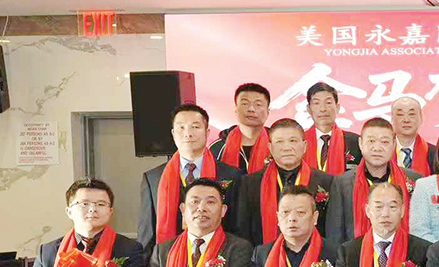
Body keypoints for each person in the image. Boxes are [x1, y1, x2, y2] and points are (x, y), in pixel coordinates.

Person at [140, 104, 242, 255]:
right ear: (173, 133)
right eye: (181, 128)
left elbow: (238, 226)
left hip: (218, 257)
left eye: (195, 127)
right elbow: (147, 232)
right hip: (168, 258)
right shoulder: (153, 178)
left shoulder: (231, 175)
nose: (188, 133)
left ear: (207, 132)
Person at [326, 118, 421, 249]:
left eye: (384, 142)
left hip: (405, 255)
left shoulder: (414, 180)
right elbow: (335, 234)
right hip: (356, 257)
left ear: (394, 144)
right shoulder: (342, 183)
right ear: (360, 143)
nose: (377, 148)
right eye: (371, 141)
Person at [238, 118, 335, 246]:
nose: (287, 148)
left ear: (305, 146)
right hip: (263, 255)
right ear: (270, 147)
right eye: (279, 142)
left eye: (293, 141)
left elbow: (332, 228)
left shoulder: (327, 181)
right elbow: (242, 231)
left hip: (314, 254)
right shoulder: (249, 184)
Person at [209, 83, 272, 174]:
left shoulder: (277, 145)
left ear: (267, 112)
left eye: (258, 104)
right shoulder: (217, 148)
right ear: (236, 109)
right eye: (245, 103)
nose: (251, 109)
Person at [302, 82, 362, 175]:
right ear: (309, 109)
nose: (323, 109)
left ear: (337, 108)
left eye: (328, 103)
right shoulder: (299, 141)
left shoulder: (356, 142)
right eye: (316, 103)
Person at [390, 95, 436, 176]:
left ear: (421, 118)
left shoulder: (435, 154)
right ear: (392, 119)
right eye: (400, 114)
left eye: (411, 114)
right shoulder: (383, 152)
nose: (406, 120)